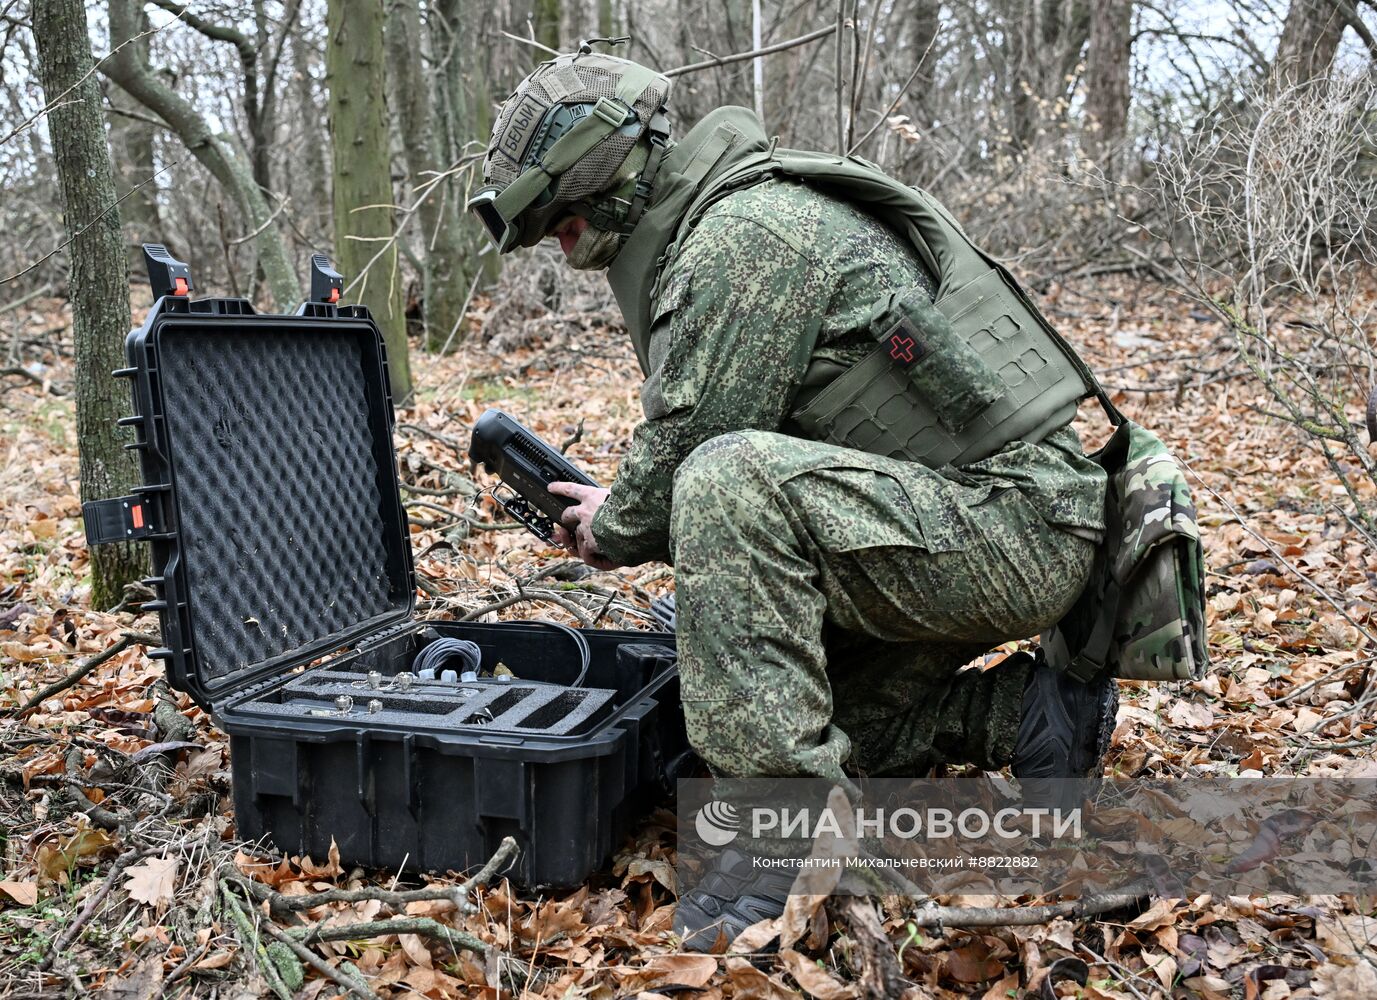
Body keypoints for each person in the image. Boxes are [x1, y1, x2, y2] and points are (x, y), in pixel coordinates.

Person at [468, 45, 1118, 950]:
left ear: (600, 171)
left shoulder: (744, 237)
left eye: (558, 217)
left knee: (724, 486)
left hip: (1003, 529)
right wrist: (625, 513)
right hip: (979, 528)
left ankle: (787, 848)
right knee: (774, 713)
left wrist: (611, 524)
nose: (555, 238)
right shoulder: (734, 220)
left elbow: (695, 463)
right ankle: (1028, 714)